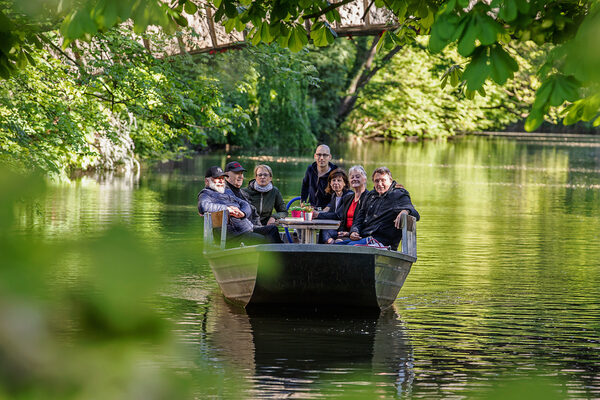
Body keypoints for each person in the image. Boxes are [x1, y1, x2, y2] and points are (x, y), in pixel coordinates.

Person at [338, 167, 420, 250]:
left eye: (383, 180)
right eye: (377, 181)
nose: (380, 184)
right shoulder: (370, 196)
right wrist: (354, 231)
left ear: (390, 181)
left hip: (382, 243)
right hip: (365, 238)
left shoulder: (398, 194)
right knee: (334, 245)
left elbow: (415, 214)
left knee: (344, 248)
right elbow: (360, 218)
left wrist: (405, 211)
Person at [197, 166, 266, 247]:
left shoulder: (228, 191)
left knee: (272, 229)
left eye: (222, 178)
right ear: (207, 181)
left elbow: (244, 203)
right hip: (233, 236)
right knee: (263, 239)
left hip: (247, 228)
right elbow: (203, 206)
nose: (221, 181)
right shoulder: (205, 194)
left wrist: (243, 213)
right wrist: (227, 209)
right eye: (217, 178)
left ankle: (282, 257)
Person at [224, 161, 283, 243]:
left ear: (271, 178)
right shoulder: (224, 192)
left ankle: (282, 253)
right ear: (226, 176)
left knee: (272, 229)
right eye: (236, 173)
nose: (240, 176)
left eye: (241, 173)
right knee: (264, 237)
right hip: (236, 233)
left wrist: (259, 227)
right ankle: (281, 253)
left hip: (248, 228)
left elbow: (253, 213)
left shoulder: (242, 193)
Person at [322, 165, 370, 244]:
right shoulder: (348, 198)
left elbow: (366, 223)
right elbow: (343, 220)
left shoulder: (369, 198)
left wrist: (349, 233)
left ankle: (334, 246)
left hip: (357, 235)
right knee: (325, 231)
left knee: (336, 243)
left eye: (357, 177)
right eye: (352, 177)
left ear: (364, 179)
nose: (354, 179)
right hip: (345, 233)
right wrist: (341, 232)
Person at [300, 144, 338, 209]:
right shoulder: (310, 169)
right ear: (315, 156)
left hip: (327, 211)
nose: (322, 158)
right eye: (319, 155)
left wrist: (329, 206)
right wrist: (303, 201)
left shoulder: (335, 172)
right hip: (311, 209)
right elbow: (305, 185)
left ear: (330, 157)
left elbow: (339, 193)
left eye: (325, 155)